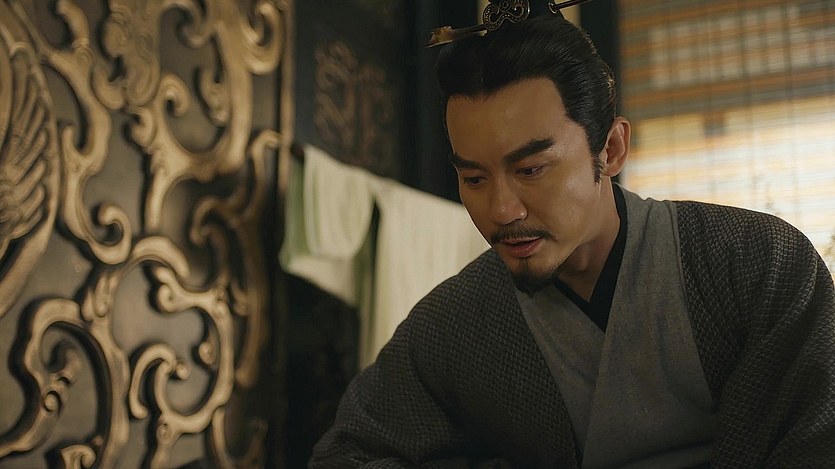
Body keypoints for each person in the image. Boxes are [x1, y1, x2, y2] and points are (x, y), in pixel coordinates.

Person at [309, 4, 835, 468]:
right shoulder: (452, 326)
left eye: (531, 169)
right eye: (474, 179)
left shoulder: (756, 262)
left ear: (610, 149)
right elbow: (346, 456)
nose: (502, 210)